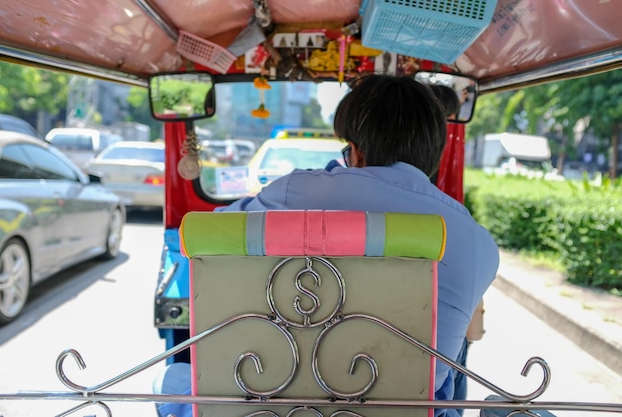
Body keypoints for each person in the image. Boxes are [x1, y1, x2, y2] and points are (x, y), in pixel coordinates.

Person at [153, 74, 500, 417]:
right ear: (433, 154)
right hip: (406, 411)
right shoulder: (479, 245)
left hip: (262, 405)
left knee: (171, 377)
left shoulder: (297, 192)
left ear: (358, 151)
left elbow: (206, 235)